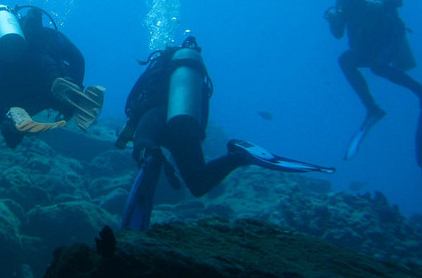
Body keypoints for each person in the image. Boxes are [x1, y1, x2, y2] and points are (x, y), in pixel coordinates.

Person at [116, 35, 333, 231]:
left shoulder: (154, 75)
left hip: (154, 116)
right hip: (184, 124)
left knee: (145, 148)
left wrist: (140, 143)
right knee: (199, 184)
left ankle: (150, 157)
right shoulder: (188, 78)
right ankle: (239, 156)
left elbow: (134, 108)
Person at [322, 0, 422, 165]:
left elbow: (398, 0)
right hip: (365, 48)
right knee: (346, 60)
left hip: (388, 41)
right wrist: (333, 19)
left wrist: (381, 3)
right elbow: (338, 34)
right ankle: (373, 109)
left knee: (378, 68)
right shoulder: (342, 1)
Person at [0, 4, 105, 148]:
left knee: (2, 112)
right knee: (58, 96)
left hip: (18, 92)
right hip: (49, 84)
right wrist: (77, 84)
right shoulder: (50, 34)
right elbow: (78, 59)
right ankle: (69, 96)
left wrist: (0, 112)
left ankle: (10, 118)